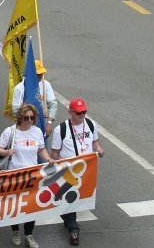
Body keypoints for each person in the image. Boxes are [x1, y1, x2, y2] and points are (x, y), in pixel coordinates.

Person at [0, 103, 55, 248]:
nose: (30, 120)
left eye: (32, 118)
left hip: (33, 175)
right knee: (16, 206)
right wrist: (6, 152)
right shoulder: (10, 131)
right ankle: (15, 231)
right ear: (20, 118)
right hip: (15, 175)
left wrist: (48, 159)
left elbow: (41, 149)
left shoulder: (36, 131)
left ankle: (29, 234)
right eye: (27, 117)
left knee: (31, 206)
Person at [50, 98, 104, 246]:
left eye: (84, 112)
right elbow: (55, 152)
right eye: (79, 113)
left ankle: (68, 220)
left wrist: (99, 149)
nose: (82, 115)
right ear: (71, 112)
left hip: (86, 171)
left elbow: (95, 142)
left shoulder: (91, 124)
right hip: (68, 171)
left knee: (76, 200)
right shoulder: (61, 130)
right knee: (70, 199)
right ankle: (74, 229)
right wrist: (55, 171)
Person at [10, 60, 58, 136]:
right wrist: (40, 113)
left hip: (41, 126)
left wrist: (49, 122)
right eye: (38, 74)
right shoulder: (20, 88)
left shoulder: (46, 84)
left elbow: (53, 104)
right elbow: (16, 110)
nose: (41, 75)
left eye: (42, 73)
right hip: (25, 127)